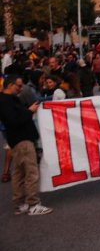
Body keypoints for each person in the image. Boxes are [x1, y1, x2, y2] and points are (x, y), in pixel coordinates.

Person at [0, 74, 53, 215]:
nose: (21, 88)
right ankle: (33, 204)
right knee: (31, 172)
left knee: (19, 173)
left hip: (17, 140)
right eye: (18, 85)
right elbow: (13, 120)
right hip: (22, 140)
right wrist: (29, 111)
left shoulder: (7, 100)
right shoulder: (6, 101)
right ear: (10, 85)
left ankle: (20, 204)